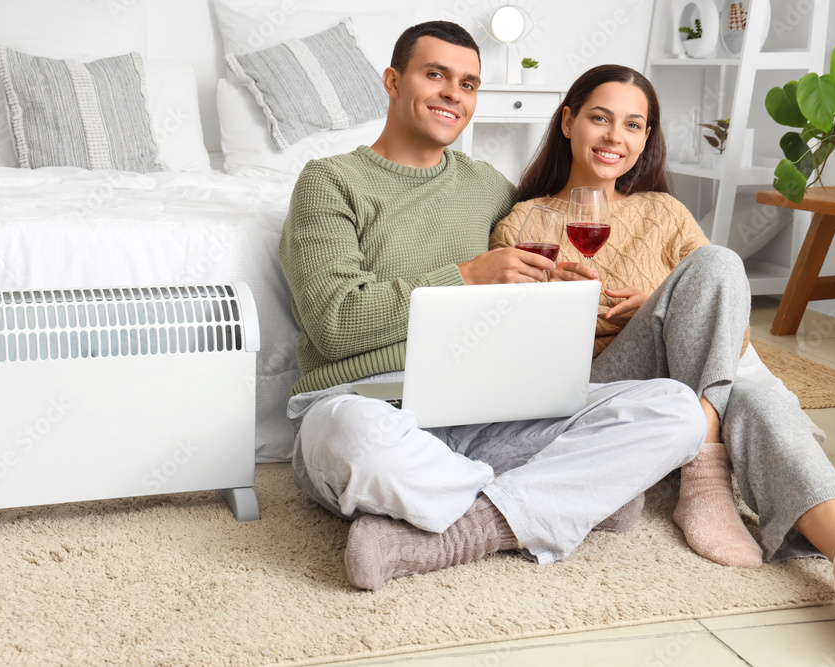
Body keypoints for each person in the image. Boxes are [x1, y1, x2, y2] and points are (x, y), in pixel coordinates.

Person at [277, 22, 709, 592]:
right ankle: (567, 497)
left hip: (483, 415)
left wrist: (567, 292)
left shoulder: (493, 191)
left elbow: (523, 296)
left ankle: (472, 523)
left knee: (675, 410)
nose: (454, 94)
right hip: (371, 405)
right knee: (355, 439)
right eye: (436, 75)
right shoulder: (329, 182)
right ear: (391, 80)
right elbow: (334, 324)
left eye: (469, 83)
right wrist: (465, 276)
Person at [490, 64, 835, 642]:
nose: (615, 138)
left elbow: (733, 332)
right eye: (600, 119)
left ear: (646, 138)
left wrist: (662, 304)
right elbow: (520, 349)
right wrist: (578, 309)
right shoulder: (525, 221)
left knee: (729, 302)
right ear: (568, 122)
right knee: (741, 372)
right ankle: (706, 481)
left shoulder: (663, 211)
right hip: (602, 385)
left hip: (688, 385)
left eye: (634, 125)